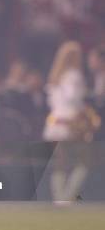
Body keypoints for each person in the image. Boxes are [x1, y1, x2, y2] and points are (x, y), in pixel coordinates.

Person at [43, 41, 99, 204]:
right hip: (71, 122)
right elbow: (73, 98)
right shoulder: (74, 75)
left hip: (55, 123)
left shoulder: (55, 76)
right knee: (84, 161)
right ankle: (66, 197)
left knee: (61, 162)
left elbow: (52, 102)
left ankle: (59, 198)